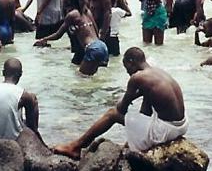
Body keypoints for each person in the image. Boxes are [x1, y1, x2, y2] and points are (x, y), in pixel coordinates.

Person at [54, 47, 187, 158]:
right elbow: (145, 111)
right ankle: (133, 143)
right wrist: (135, 130)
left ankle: (75, 146)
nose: (127, 71)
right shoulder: (156, 72)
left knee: (111, 114)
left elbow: (121, 109)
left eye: (126, 67)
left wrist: (130, 97)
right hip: (181, 125)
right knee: (135, 119)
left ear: (131, 62)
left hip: (166, 130)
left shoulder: (137, 78)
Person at [35, 0, 109, 76]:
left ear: (68, 0)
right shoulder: (87, 11)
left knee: (79, 78)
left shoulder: (72, 15)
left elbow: (58, 34)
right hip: (102, 46)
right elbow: (96, 30)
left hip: (92, 48)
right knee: (90, 78)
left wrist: (43, 39)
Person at [0, 58, 39, 141]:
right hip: (12, 141)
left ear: (3, 73)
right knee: (33, 98)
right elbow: (31, 126)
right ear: (20, 74)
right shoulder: (23, 95)